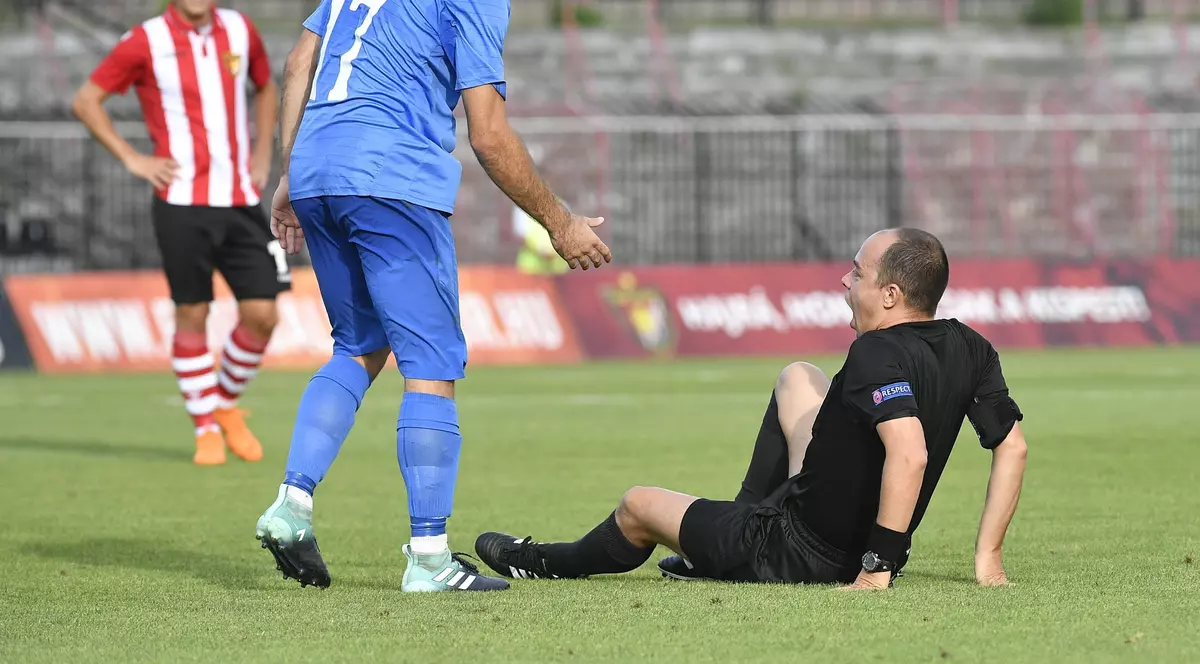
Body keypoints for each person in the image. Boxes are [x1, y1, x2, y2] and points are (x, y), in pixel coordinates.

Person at [254, 0, 613, 593]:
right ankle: (428, 558)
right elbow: (489, 135)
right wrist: (560, 222)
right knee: (430, 364)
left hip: (317, 166)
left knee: (358, 347)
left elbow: (298, 64)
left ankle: (292, 505)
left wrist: (293, 173)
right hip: (390, 174)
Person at [474, 228, 1028, 589]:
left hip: (803, 553)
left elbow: (908, 454)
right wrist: (988, 557)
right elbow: (1013, 446)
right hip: (840, 534)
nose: (844, 279)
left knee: (637, 505)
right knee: (798, 378)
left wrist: (878, 568)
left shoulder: (873, 352)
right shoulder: (973, 346)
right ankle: (713, 553)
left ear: (890, 295)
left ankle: (543, 561)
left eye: (857, 272)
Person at [72, 0, 285, 466]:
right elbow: (86, 101)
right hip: (181, 203)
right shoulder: (146, 39)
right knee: (192, 312)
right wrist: (134, 159)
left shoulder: (238, 29)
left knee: (263, 314)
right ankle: (205, 427)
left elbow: (266, 87)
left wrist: (262, 156)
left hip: (239, 199)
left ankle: (224, 404)